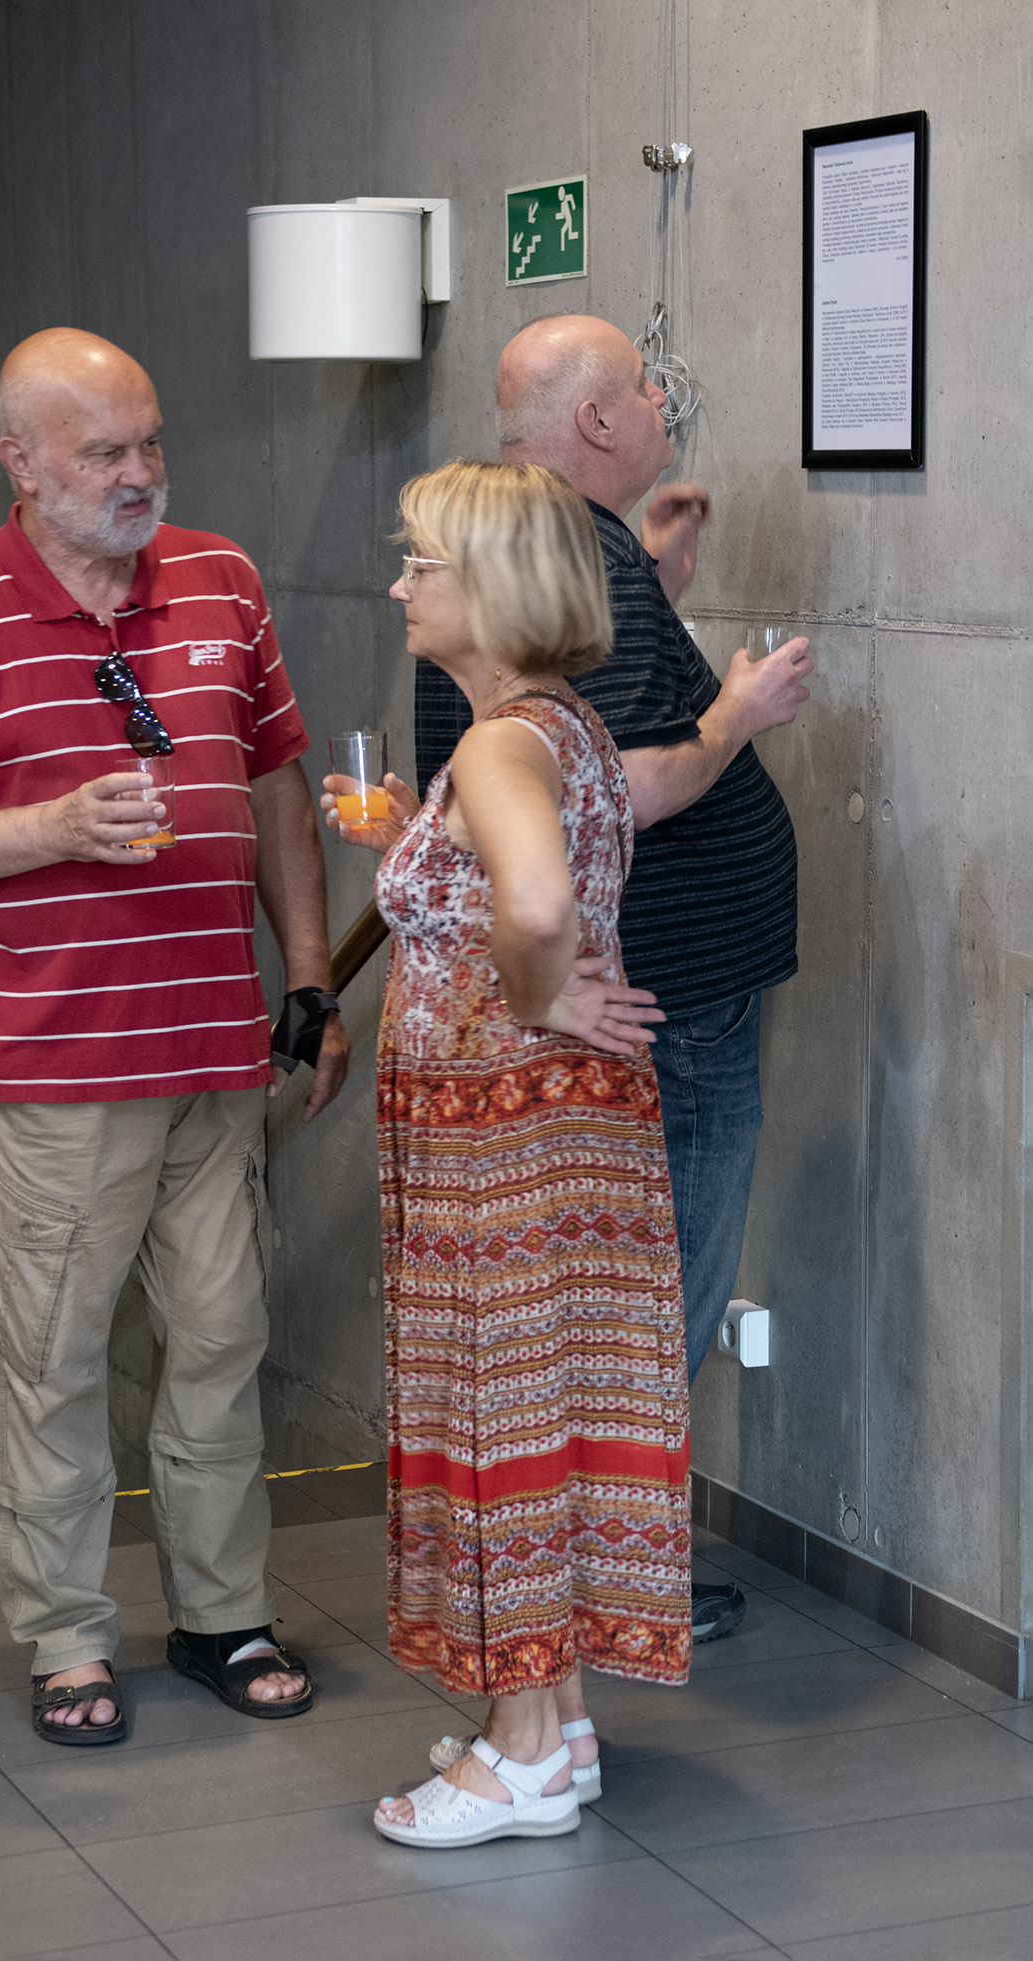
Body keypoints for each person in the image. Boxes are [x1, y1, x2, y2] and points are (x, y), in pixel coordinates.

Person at [0, 328, 349, 1743]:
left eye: (152, 443)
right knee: (55, 1365)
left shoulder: (223, 579)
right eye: (104, 452)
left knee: (222, 1344)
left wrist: (309, 978)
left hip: (215, 1055)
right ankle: (68, 1640)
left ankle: (222, 1614)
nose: (140, 474)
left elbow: (275, 784)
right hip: (46, 1069)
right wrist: (53, 828)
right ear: (19, 460)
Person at [415, 315, 814, 1644]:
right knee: (647, 1307)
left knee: (595, 1313)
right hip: (664, 1005)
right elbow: (610, 778)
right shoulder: (577, 559)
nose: (660, 402)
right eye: (644, 387)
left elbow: (569, 711)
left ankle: (575, 1584)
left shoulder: (554, 556)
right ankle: (604, 1584)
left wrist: (650, 574)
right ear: (596, 421)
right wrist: (735, 716)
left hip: (628, 1005)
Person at [325, 459, 691, 1849]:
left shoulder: (496, 745)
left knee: (499, 1416)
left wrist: (536, 995)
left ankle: (524, 1752)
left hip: (504, 1136)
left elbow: (536, 902)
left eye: (420, 562)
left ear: (490, 585)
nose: (399, 585)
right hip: (562, 1127)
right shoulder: (559, 725)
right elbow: (522, 881)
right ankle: (563, 1724)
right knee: (550, 1410)